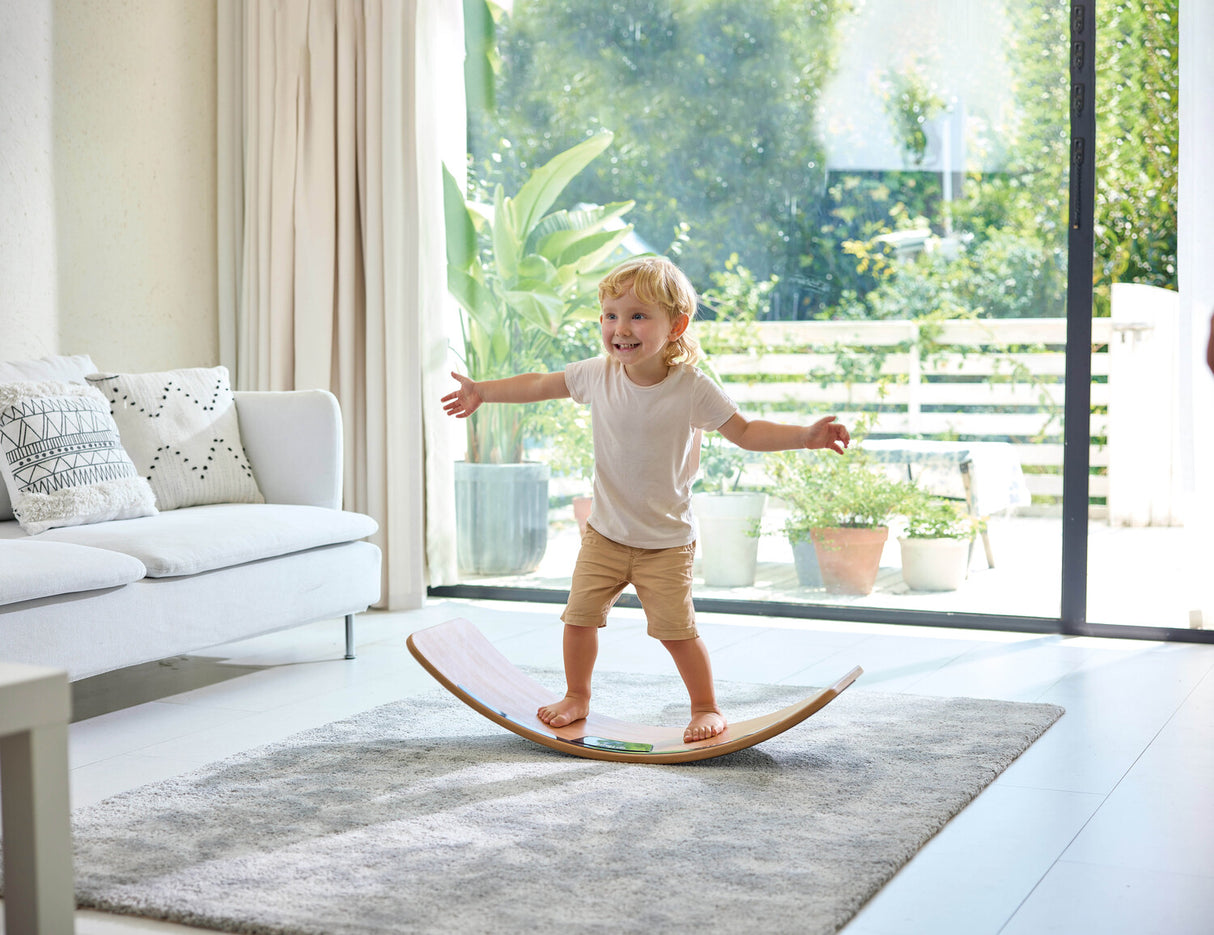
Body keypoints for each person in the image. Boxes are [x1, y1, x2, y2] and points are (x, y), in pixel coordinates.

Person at [442, 256, 850, 743]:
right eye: (611, 315)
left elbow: (744, 432)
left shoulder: (693, 388)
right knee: (578, 621)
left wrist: (805, 435)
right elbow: (539, 383)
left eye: (638, 315)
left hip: (666, 542)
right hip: (605, 534)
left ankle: (705, 706)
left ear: (675, 325)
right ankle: (577, 696)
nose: (621, 328)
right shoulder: (598, 373)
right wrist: (482, 392)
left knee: (677, 632)